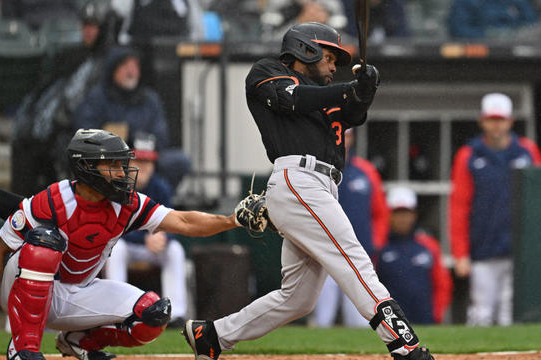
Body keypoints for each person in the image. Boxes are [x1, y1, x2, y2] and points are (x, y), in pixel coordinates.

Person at [182, 22, 434, 360]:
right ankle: (405, 346)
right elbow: (293, 99)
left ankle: (212, 335)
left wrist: (365, 91)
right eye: (329, 58)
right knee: (354, 261)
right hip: (297, 179)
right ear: (306, 50)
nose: (333, 66)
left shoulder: (325, 94)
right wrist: (348, 88)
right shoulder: (268, 71)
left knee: (298, 298)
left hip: (322, 186)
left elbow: (354, 115)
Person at [0, 129, 244, 360]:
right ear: (86, 166)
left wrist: (232, 220)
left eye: (123, 164)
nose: (123, 172)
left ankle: (77, 342)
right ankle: (22, 347)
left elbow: (184, 221)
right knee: (44, 242)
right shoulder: (52, 200)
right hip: (20, 289)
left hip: (76, 291)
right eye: (114, 165)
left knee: (153, 314)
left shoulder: (127, 204)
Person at [449, 93, 541, 326]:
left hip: (521, 248)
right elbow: (459, 207)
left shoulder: (527, 152)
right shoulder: (469, 155)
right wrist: (460, 253)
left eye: (500, 119)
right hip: (483, 247)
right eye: (491, 119)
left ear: (510, 121)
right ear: (482, 121)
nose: (496, 124)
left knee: (512, 315)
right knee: (482, 313)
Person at [10, 0, 116, 197]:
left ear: (104, 28)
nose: (88, 31)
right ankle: (22, 216)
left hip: (80, 130)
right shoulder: (72, 55)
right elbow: (46, 92)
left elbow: (94, 103)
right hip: (53, 129)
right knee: (23, 144)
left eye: (94, 26)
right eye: (85, 25)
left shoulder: (110, 60)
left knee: (59, 149)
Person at [74, 46, 190, 190]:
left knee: (179, 161)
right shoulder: (97, 98)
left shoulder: (150, 99)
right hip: (110, 160)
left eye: (135, 66)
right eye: (125, 66)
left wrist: (138, 146)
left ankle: (154, 207)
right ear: (113, 70)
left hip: (145, 158)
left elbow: (161, 136)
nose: (131, 71)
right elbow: (85, 133)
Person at [104, 133, 189, 328]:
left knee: (175, 250)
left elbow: (174, 221)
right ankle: (118, 313)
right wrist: (144, 240)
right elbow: (111, 227)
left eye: (148, 162)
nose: (143, 167)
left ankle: (175, 315)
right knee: (116, 249)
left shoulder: (160, 187)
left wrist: (165, 237)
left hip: (152, 248)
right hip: (127, 245)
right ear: (127, 161)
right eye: (138, 160)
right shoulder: (115, 187)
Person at [313, 128, 390, 328]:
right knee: (323, 318)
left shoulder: (366, 171)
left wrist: (376, 244)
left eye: (347, 135)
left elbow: (380, 212)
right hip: (325, 253)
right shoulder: (316, 171)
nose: (343, 140)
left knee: (360, 320)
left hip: (359, 255)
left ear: (352, 137)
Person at [377, 187, 452, 325]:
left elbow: (442, 283)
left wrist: (437, 314)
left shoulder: (429, 245)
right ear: (389, 215)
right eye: (398, 213)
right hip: (391, 324)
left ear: (414, 214)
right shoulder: (379, 246)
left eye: (406, 213)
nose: (402, 218)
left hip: (425, 320)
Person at [447, 0, 538, 39]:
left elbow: (532, 24)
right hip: (476, 57)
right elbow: (458, 29)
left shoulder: (518, 1)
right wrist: (488, 35)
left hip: (515, 53)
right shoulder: (467, 1)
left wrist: (514, 34)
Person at [341, 0, 409, 43]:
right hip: (359, 57)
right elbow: (352, 37)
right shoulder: (351, 4)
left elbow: (401, 38)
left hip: (390, 59)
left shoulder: (395, 4)